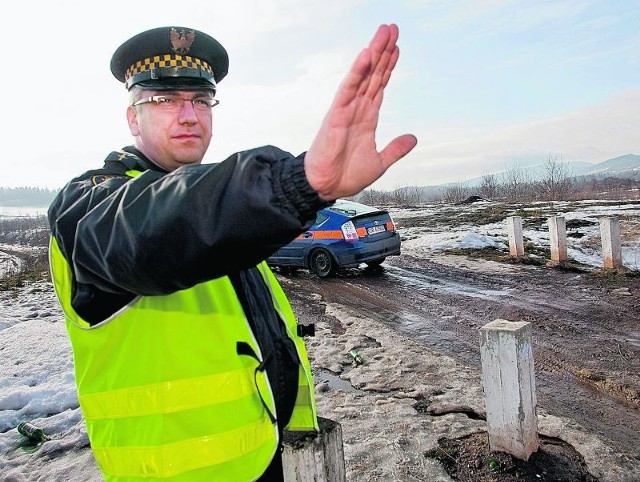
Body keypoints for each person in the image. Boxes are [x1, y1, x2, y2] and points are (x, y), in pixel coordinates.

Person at [47, 24, 416, 481]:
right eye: (164, 100)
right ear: (132, 118)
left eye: (201, 100)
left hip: (267, 453)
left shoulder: (217, 211)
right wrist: (295, 184)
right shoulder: (89, 207)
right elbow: (154, 228)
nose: (189, 115)